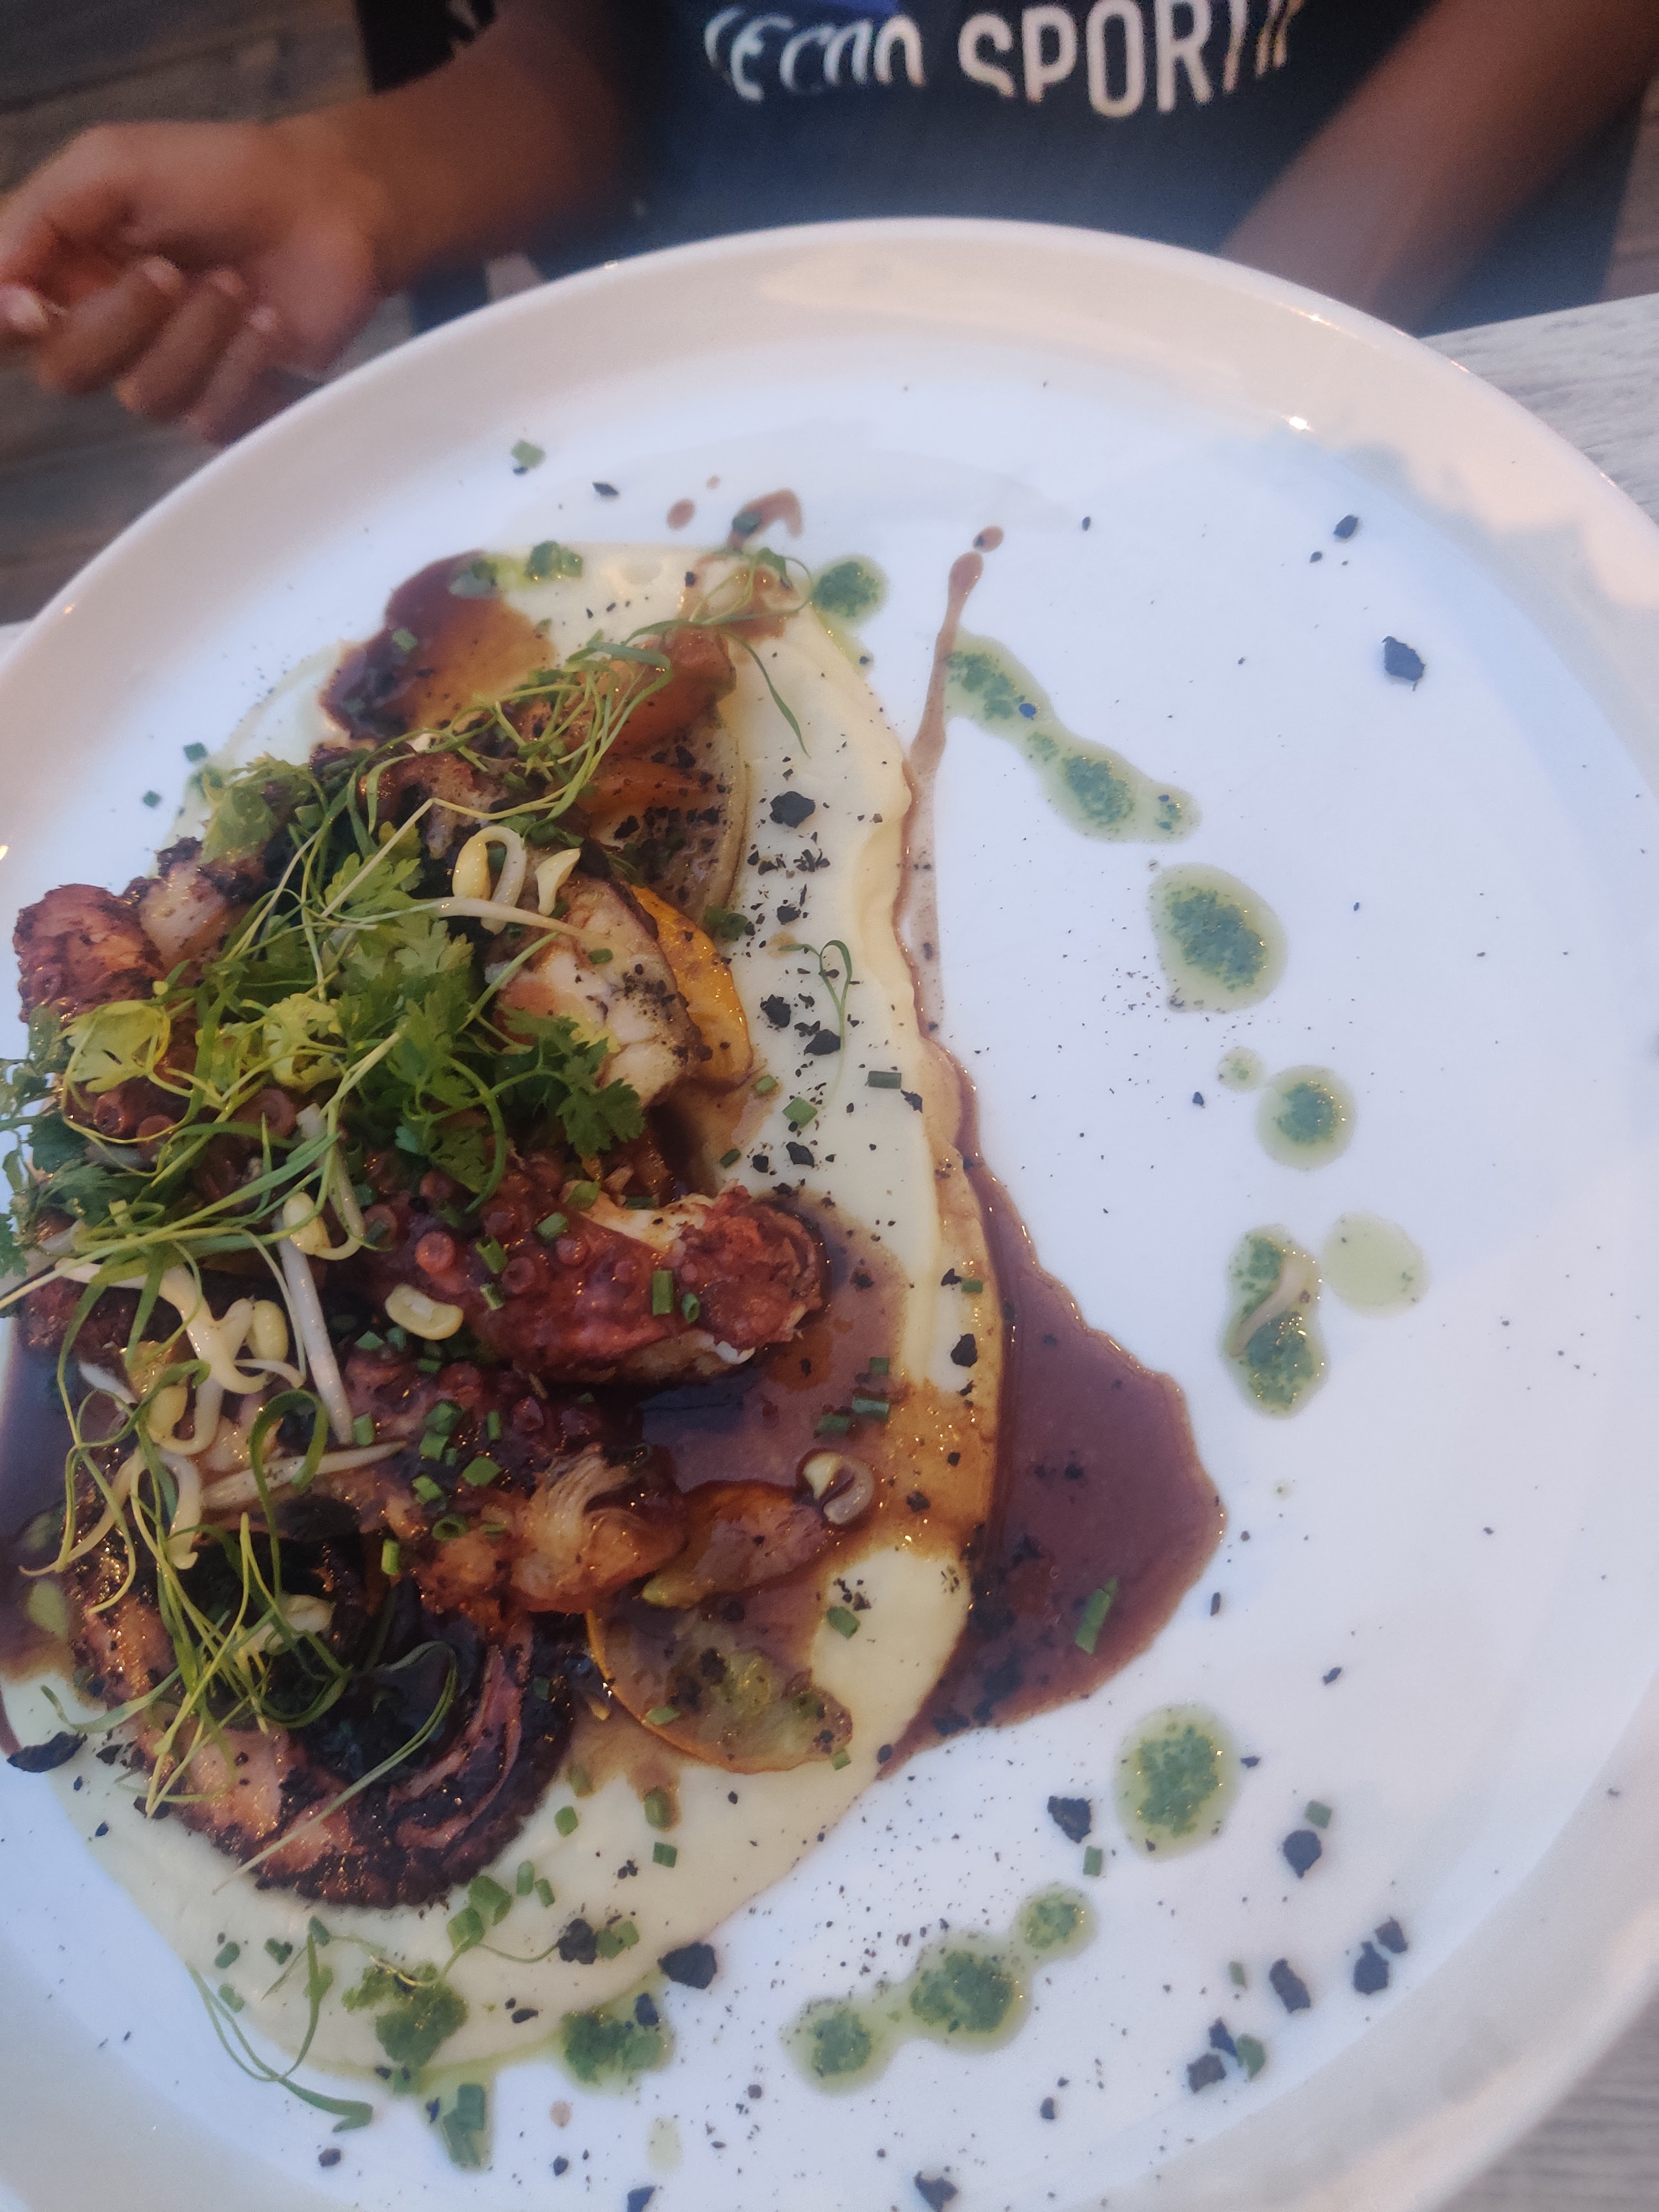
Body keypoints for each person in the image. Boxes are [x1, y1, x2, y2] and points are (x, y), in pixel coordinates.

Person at [2, 0, 1657, 443]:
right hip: (776, 432)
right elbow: (604, 60)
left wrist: (1208, 361)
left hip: (1340, 372)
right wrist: (358, 179)